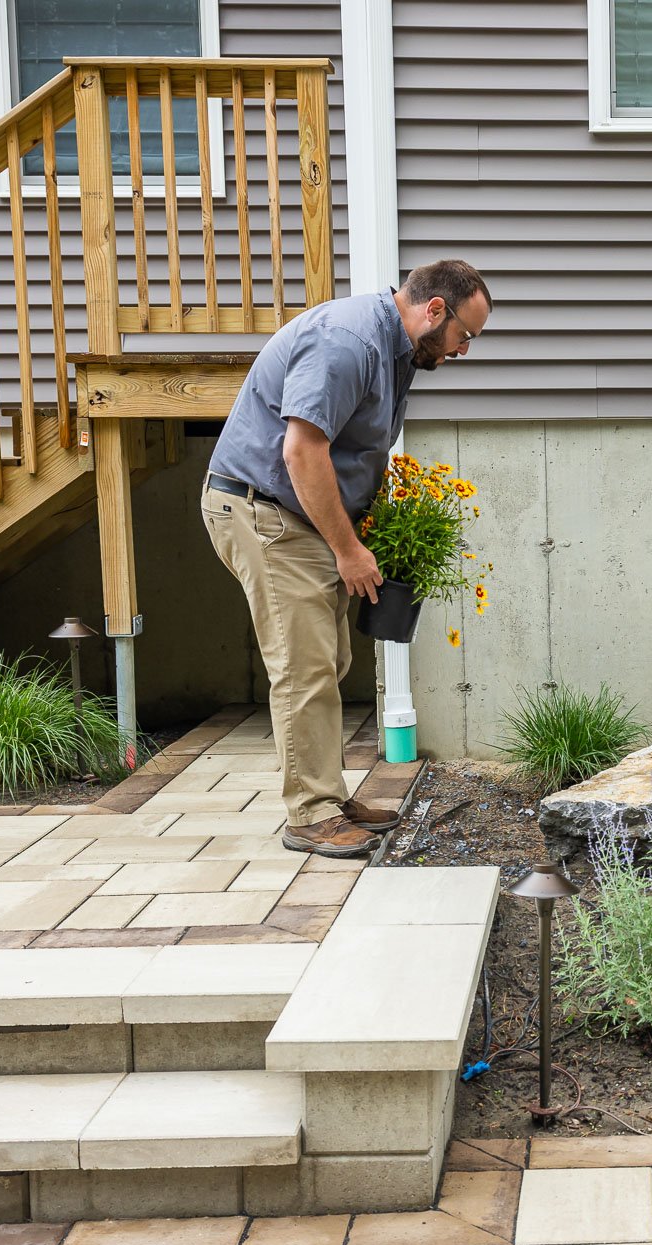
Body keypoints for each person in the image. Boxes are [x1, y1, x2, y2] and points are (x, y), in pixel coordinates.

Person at [202, 260, 492, 857]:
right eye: (466, 335)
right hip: (266, 512)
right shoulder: (348, 341)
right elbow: (302, 449)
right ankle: (309, 814)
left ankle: (327, 795)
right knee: (303, 667)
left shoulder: (397, 351)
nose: (465, 350)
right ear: (434, 310)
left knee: (327, 660)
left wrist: (370, 531)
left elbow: (358, 450)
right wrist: (348, 549)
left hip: (301, 515)